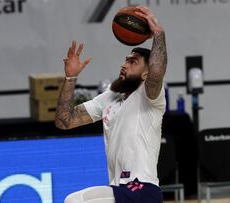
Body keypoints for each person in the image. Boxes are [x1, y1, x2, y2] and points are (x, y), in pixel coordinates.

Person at [55, 5, 167, 203]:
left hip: (141, 189)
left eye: (133, 61)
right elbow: (64, 121)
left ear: (145, 73)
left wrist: (158, 34)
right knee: (72, 200)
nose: (124, 64)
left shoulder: (148, 97)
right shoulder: (110, 97)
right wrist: (70, 77)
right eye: (125, 60)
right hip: (119, 188)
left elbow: (157, 72)